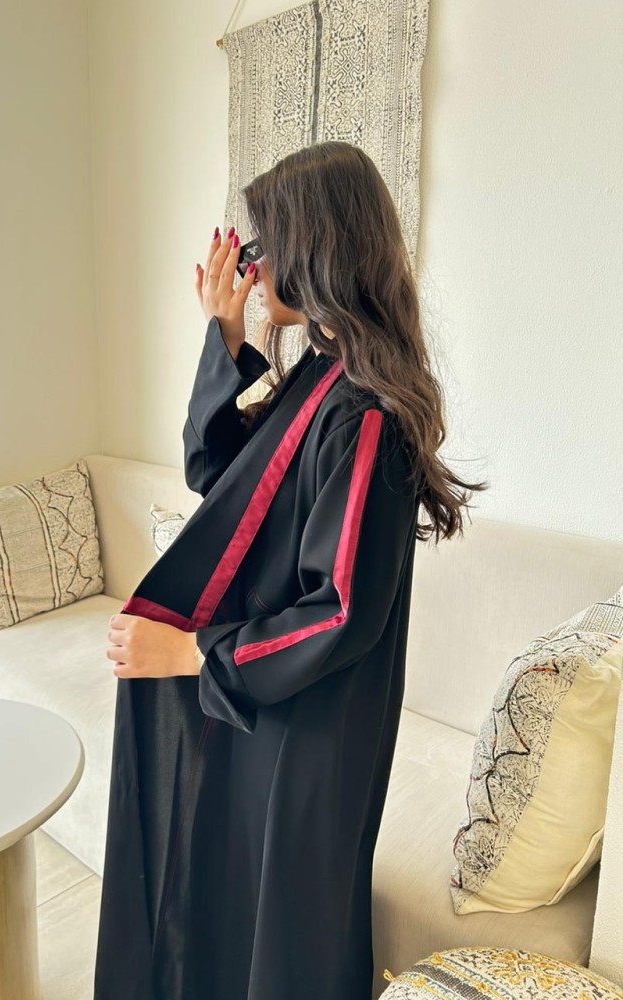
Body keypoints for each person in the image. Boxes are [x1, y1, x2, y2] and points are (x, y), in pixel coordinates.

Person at [93, 140, 488, 1000]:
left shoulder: (365, 414)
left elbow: (339, 612)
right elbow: (216, 472)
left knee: (290, 938)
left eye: (268, 244)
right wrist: (227, 336)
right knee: (234, 907)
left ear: (316, 246)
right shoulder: (320, 377)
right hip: (271, 704)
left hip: (314, 726)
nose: (256, 265)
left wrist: (193, 653)